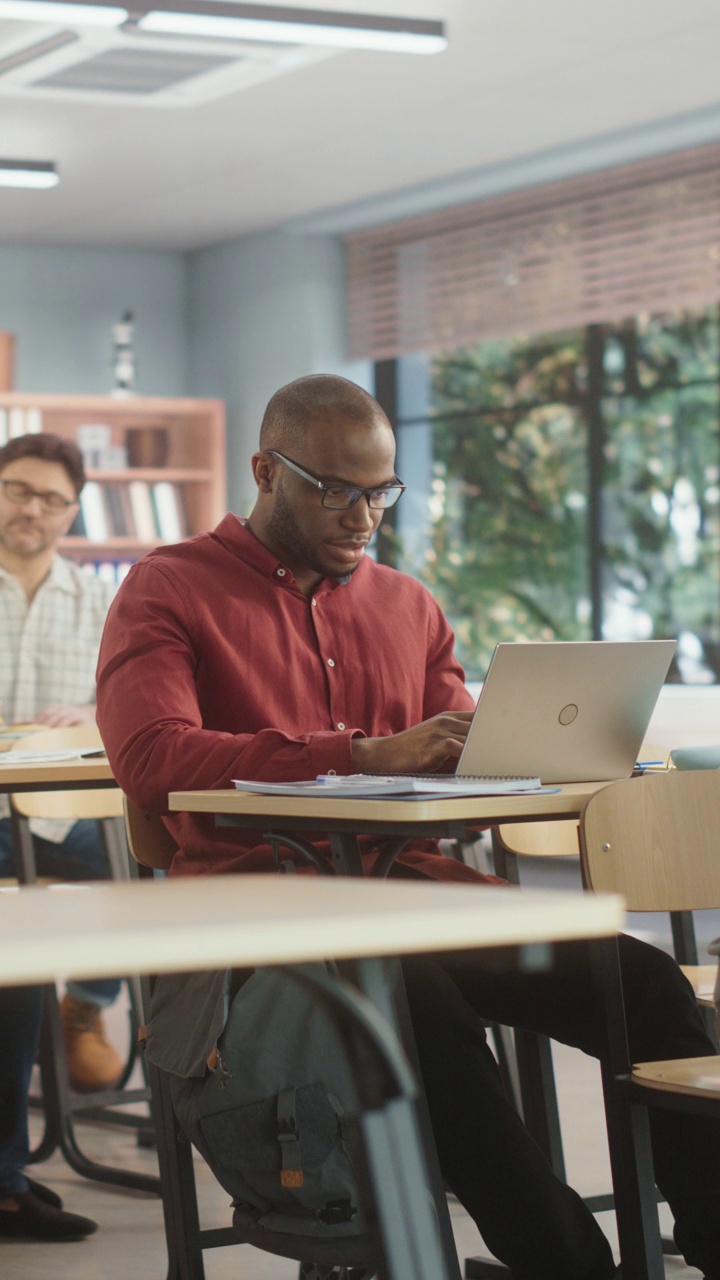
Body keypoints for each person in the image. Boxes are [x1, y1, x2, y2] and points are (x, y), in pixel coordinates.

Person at [96, 375, 720, 1280]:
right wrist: (361, 753)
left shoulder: (408, 604)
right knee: (416, 1007)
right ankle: (570, 1266)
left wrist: (561, 757)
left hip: (418, 893)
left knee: (645, 983)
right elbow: (152, 759)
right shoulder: (168, 587)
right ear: (266, 470)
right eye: (336, 490)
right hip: (262, 909)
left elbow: (463, 747)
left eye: (381, 492)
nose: (364, 516)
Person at [0, 433, 120, 1241]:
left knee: (164, 872)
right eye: (15, 489)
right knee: (14, 932)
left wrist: (98, 712)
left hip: (69, 817)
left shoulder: (105, 602)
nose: (30, 509)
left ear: (73, 512)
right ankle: (7, 1177)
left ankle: (90, 1004)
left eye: (49, 499)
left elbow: (142, 707)